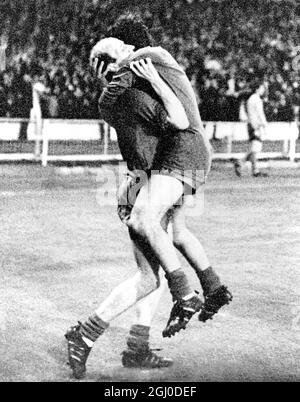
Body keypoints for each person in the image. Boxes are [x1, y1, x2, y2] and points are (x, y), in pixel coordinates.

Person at [65, 43, 191, 380]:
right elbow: (179, 121)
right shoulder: (133, 99)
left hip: (139, 182)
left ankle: (136, 347)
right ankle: (86, 333)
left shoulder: (117, 98)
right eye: (123, 49)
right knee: (149, 277)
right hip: (146, 184)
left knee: (154, 274)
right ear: (112, 64)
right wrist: (163, 85)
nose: (133, 49)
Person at [234, 82, 269, 177]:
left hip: (251, 124)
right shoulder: (256, 99)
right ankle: (244, 164)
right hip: (255, 125)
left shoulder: (250, 99)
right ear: (257, 89)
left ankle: (252, 168)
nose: (263, 90)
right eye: (262, 88)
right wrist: (264, 125)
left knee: (254, 148)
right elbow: (260, 114)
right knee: (255, 148)